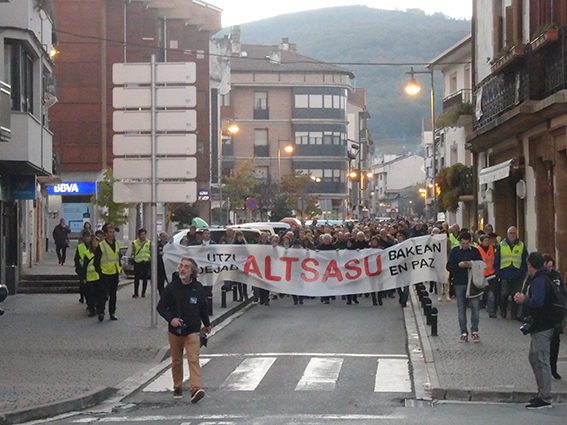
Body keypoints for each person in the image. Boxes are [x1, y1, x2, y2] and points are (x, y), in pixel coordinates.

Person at [157, 257, 211, 402]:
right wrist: (171, 319)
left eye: (186, 267)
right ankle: (177, 386)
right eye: (181, 266)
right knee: (176, 360)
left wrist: (207, 324)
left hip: (193, 330)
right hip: (175, 331)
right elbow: (161, 307)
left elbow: (203, 307)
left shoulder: (197, 288)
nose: (182, 269)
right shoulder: (172, 287)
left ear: (192, 271)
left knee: (193, 359)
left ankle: (196, 389)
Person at [513, 252, 556, 409]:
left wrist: (523, 299)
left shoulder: (539, 280)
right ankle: (541, 392)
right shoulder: (548, 276)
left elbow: (538, 302)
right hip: (544, 324)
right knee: (534, 358)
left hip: (542, 325)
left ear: (530, 265)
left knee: (541, 359)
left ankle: (545, 397)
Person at [446, 232, 482, 343]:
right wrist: (459, 265)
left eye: (467, 243)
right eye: (463, 243)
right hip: (459, 282)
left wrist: (472, 265)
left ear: (470, 242)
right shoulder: (455, 251)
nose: (465, 245)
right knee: (461, 309)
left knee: (475, 307)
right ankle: (463, 332)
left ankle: (474, 331)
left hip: (473, 283)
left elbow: (481, 264)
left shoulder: (474, 251)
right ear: (460, 241)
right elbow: (449, 266)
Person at [494, 226, 528, 320]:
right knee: (504, 294)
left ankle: (514, 313)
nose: (512, 235)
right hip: (504, 273)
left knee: (515, 295)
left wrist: (522, 271)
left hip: (517, 274)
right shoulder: (501, 245)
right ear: (507, 234)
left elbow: (525, 259)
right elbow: (497, 259)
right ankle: (503, 310)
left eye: (514, 233)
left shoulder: (521, 245)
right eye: (511, 233)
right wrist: (498, 271)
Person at [542, 254, 565, 380]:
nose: (550, 268)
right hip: (544, 312)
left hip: (556, 312)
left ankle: (553, 368)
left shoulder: (556, 275)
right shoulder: (540, 276)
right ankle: (544, 368)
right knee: (543, 343)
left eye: (552, 266)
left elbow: (562, 291)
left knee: (555, 342)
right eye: (548, 266)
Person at [94, 224, 121, 322]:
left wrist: (119, 267)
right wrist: (99, 272)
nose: (112, 234)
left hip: (114, 272)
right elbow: (96, 261)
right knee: (103, 294)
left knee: (113, 294)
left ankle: (112, 312)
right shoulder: (101, 245)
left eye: (113, 232)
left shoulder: (116, 244)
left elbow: (117, 256)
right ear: (106, 233)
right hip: (104, 273)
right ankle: (101, 312)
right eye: (110, 232)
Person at [477, 234, 498, 318]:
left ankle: (491, 311)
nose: (487, 242)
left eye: (488, 240)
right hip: (481, 275)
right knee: (480, 294)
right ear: (481, 241)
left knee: (491, 294)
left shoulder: (492, 249)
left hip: (491, 274)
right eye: (485, 240)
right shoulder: (477, 250)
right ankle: (478, 310)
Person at [79, 237, 100, 317]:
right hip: (90, 277)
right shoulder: (87, 253)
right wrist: (84, 278)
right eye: (94, 241)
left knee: (99, 295)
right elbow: (84, 267)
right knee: (90, 295)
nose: (95, 243)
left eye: (97, 241)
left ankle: (98, 308)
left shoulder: (101, 253)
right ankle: (92, 310)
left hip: (99, 277)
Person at [74, 230, 92, 304]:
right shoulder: (80, 247)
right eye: (85, 237)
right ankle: (82, 297)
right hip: (82, 269)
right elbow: (77, 258)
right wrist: (78, 268)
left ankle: (89, 302)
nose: (86, 238)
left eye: (88, 236)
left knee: (90, 286)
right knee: (83, 285)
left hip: (91, 269)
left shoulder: (93, 246)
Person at [132, 228, 151, 298]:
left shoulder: (148, 242)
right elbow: (133, 251)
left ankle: (143, 292)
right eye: (142, 234)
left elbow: (151, 251)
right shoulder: (135, 242)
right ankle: (136, 293)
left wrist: (150, 257)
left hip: (146, 261)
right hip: (137, 261)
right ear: (139, 235)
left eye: (144, 234)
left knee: (145, 278)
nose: (143, 236)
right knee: (136, 278)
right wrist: (133, 257)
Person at [157, 232, 168, 297]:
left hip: (167, 266)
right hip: (160, 265)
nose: (165, 237)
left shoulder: (169, 245)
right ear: (160, 237)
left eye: (166, 236)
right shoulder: (158, 245)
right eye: (163, 236)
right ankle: (162, 294)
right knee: (160, 281)